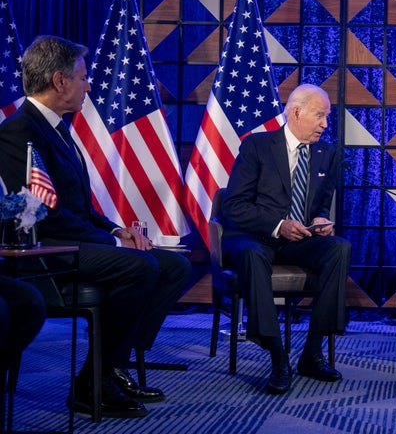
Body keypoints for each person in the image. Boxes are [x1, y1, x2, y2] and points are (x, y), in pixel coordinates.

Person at [0, 35, 190, 418]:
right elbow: (40, 214)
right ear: (59, 81)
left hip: (77, 240)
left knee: (175, 266)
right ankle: (92, 384)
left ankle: (109, 367)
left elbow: (79, 206)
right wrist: (113, 243)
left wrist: (117, 230)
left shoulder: (57, 127)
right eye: (83, 77)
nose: (89, 85)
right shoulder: (19, 131)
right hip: (47, 253)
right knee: (140, 265)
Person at [221, 84, 350, 394]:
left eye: (326, 117)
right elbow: (233, 205)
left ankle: (312, 353)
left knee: (339, 249)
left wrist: (319, 218)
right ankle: (278, 358)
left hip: (301, 240)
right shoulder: (257, 146)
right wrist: (278, 225)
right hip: (256, 237)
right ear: (296, 112)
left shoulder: (326, 153)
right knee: (252, 254)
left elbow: (321, 202)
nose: (325, 124)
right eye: (320, 115)